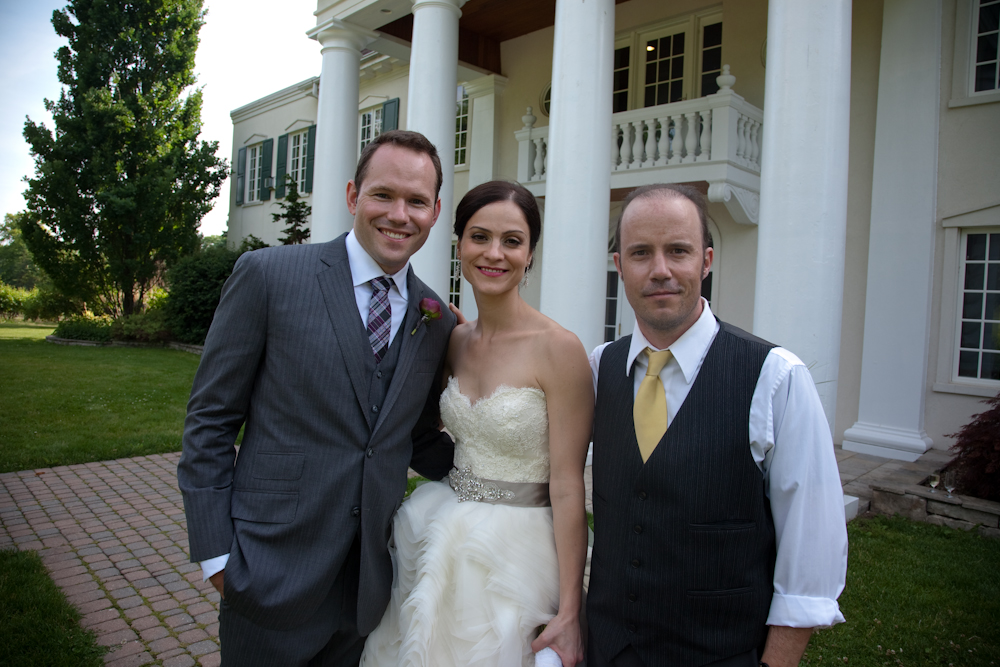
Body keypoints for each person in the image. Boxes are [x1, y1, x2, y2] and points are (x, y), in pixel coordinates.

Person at [177, 130, 458, 666]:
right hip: (268, 573)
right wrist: (217, 557)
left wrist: (497, 480)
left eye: (417, 201)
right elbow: (210, 420)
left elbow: (414, 434)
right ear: (353, 196)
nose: (400, 214)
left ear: (435, 210)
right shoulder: (269, 277)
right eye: (383, 195)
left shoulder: (434, 316)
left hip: (369, 588)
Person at [586, 184, 848, 667]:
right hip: (608, 649)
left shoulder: (775, 376)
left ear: (706, 260)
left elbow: (811, 550)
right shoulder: (602, 367)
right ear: (619, 265)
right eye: (641, 253)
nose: (660, 270)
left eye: (678, 251)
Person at [360, 181, 593, 667]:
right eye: (479, 237)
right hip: (440, 526)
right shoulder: (453, 337)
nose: (494, 253)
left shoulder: (560, 349)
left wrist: (571, 610)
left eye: (512, 241)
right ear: (460, 244)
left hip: (516, 551)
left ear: (530, 254)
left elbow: (569, 485)